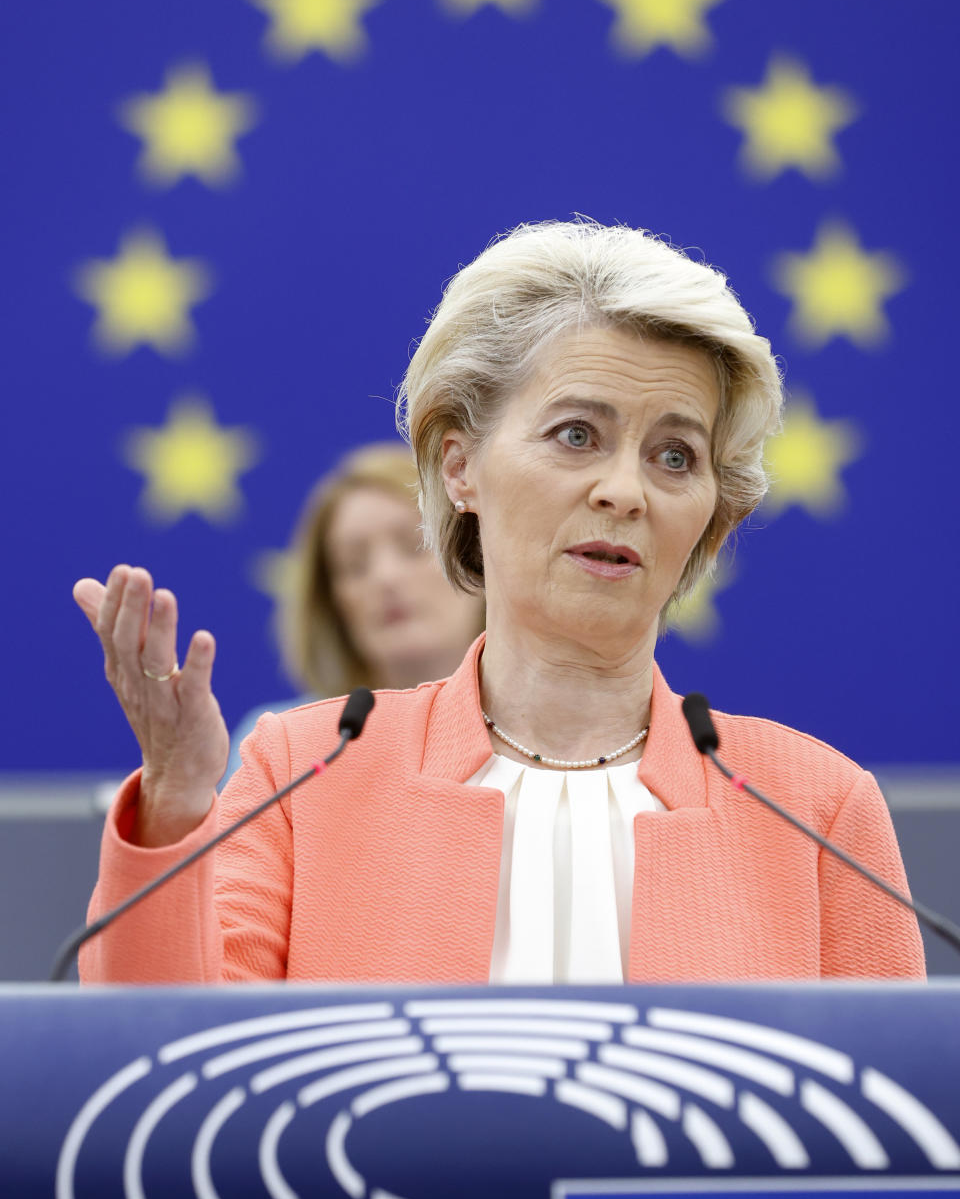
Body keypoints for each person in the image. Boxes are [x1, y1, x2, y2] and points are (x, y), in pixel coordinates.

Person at [73, 219, 925, 985]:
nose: (625, 490)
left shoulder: (816, 809)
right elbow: (160, 1093)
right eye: (577, 435)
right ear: (460, 466)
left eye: (675, 456)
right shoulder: (299, 772)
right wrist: (180, 802)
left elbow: (894, 1140)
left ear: (713, 510)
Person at [223, 441, 483, 782]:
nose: (385, 577)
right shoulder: (277, 745)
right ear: (333, 604)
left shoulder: (545, 727)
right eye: (354, 565)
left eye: (414, 544)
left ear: (476, 556)